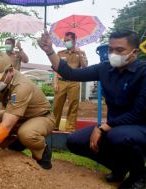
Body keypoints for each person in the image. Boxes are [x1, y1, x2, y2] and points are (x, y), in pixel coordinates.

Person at [38, 30, 146, 189]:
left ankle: (140, 175)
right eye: (111, 49)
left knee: (118, 136)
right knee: (75, 141)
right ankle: (119, 167)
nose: (113, 54)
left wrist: (102, 128)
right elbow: (70, 73)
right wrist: (50, 51)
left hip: (139, 126)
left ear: (134, 52)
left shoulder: (143, 72)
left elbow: (139, 112)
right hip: (114, 127)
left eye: (120, 50)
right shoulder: (105, 68)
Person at [52, 32, 88, 131]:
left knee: (73, 105)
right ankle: (54, 127)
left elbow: (85, 67)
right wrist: (55, 83)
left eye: (68, 40)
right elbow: (55, 69)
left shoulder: (81, 53)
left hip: (74, 82)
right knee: (56, 105)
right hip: (61, 82)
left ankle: (70, 128)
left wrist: (80, 53)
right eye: (65, 40)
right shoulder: (60, 53)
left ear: (74, 40)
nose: (66, 42)